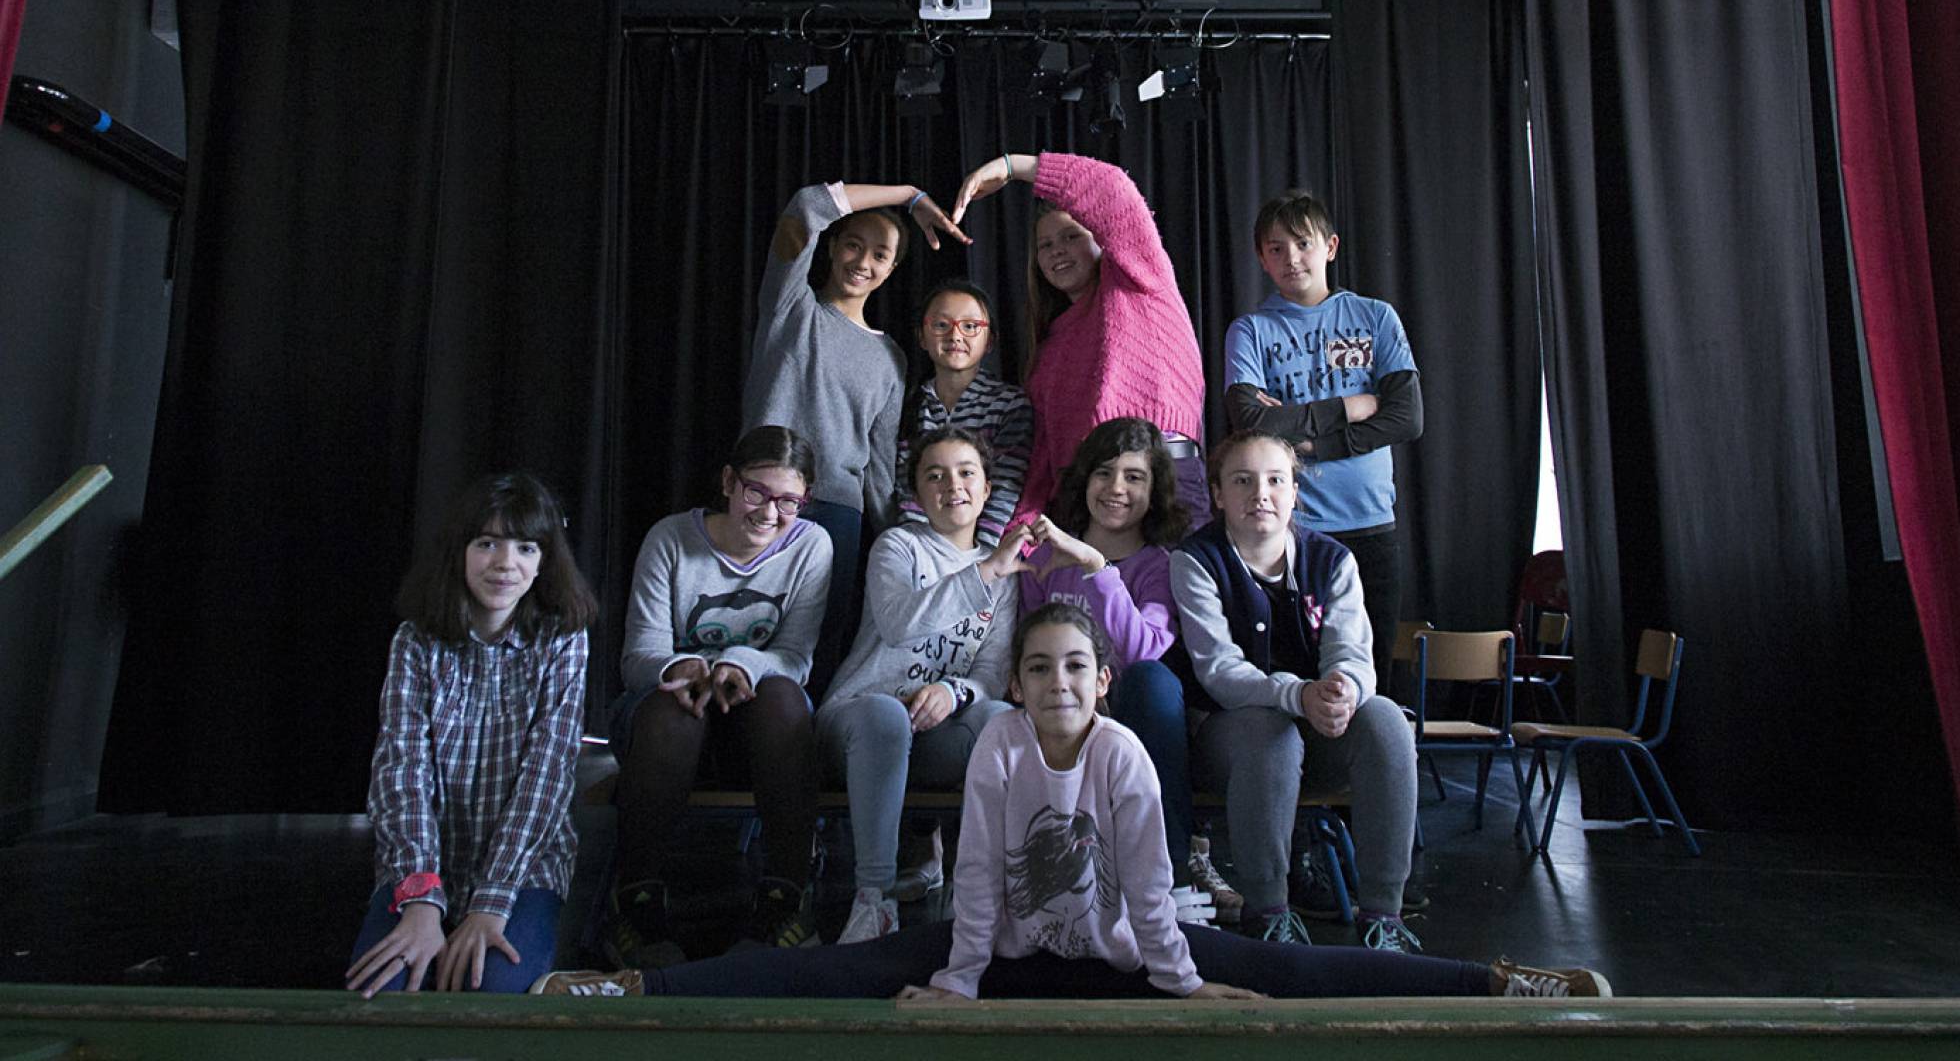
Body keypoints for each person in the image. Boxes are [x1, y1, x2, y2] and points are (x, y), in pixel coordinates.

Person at [532, 604, 1609, 1001]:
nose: (1056, 683)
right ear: (1016, 683)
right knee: (834, 973)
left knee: (1292, 974)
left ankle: (1495, 981)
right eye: (1038, 667)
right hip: (1002, 952)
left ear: (1103, 681)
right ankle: (628, 988)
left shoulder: (1126, 754)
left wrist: (1182, 984)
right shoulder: (1001, 747)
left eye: (1075, 668)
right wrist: (958, 981)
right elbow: (979, 880)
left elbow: (1149, 890)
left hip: (1127, 955)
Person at [345, 472, 600, 998]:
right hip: (425, 861)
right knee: (385, 992)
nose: (505, 563)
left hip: (523, 868)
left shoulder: (562, 639)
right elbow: (401, 773)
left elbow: (546, 778)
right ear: (460, 551)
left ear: (545, 560)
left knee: (493, 991)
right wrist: (420, 899)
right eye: (487, 543)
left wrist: (492, 902)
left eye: (526, 547)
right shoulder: (415, 641)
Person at [1169, 430, 1420, 951]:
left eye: (1275, 481)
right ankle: (1268, 912)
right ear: (1218, 494)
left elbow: (1354, 655)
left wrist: (1344, 689)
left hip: (1319, 731)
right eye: (1242, 481)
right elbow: (1219, 671)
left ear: (1294, 493)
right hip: (1231, 739)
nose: (1260, 494)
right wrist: (1298, 695)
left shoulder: (1333, 560)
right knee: (1272, 734)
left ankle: (1383, 915)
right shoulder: (1195, 560)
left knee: (1386, 718)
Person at [607, 426, 833, 967]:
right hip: (666, 720)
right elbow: (637, 658)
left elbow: (796, 658)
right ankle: (636, 903)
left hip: (753, 718)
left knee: (783, 702)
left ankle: (785, 897)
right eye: (757, 492)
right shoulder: (670, 540)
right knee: (672, 711)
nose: (769, 513)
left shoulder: (811, 546)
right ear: (729, 483)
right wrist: (681, 668)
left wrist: (740, 663)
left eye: (788, 501)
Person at [743, 178, 967, 695]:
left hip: (838, 514)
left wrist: (899, 538)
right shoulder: (791, 307)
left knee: (817, 650)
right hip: (761, 498)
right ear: (831, 246)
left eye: (880, 254)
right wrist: (908, 195)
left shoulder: (891, 357)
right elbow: (806, 206)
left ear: (891, 270)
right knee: (749, 629)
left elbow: (880, 464)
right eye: (853, 244)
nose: (863, 261)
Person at [1016, 417, 1241, 924]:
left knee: (1152, 681)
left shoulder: (1160, 566)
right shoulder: (1046, 559)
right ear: (1084, 480)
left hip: (1134, 717)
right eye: (1104, 472)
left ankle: (1173, 877)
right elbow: (1026, 647)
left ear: (1154, 490)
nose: (1116, 488)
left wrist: (1097, 568)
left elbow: (1142, 650)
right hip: (1058, 711)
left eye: (1134, 477)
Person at [815, 426, 1022, 943]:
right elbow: (899, 623)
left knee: (1000, 720)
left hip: (934, 735)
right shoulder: (899, 546)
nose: (953, 485)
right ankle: (874, 900)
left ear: (986, 488)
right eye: (936, 475)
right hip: (861, 722)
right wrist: (986, 572)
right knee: (886, 715)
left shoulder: (1004, 575)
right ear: (918, 493)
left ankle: (974, 896)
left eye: (966, 472)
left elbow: (992, 672)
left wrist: (955, 692)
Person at [1222, 189, 1423, 684]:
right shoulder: (1251, 331)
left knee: (1370, 681)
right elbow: (1250, 421)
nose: (1291, 258)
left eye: (1302, 243)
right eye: (1276, 248)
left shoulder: (1374, 317)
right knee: (1299, 679)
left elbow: (1405, 418)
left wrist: (1314, 442)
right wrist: (1347, 408)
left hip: (1371, 526)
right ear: (1261, 259)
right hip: (1291, 532)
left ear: (1330, 247)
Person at [949, 152, 1208, 529]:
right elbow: (1043, 458)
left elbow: (1114, 189)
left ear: (1101, 240)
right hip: (1090, 501)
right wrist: (1021, 531)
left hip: (1164, 470)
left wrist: (1010, 166)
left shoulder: (1140, 282)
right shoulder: (1048, 350)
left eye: (1071, 236)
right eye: (1045, 245)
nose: (1057, 250)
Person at [892, 279, 1034, 550]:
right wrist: (922, 552)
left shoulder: (1010, 404)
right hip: (917, 548)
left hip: (984, 550)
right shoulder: (909, 404)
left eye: (970, 326)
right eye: (941, 325)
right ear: (922, 336)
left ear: (990, 341)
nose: (955, 336)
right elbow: (907, 488)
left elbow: (1005, 488)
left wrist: (982, 555)